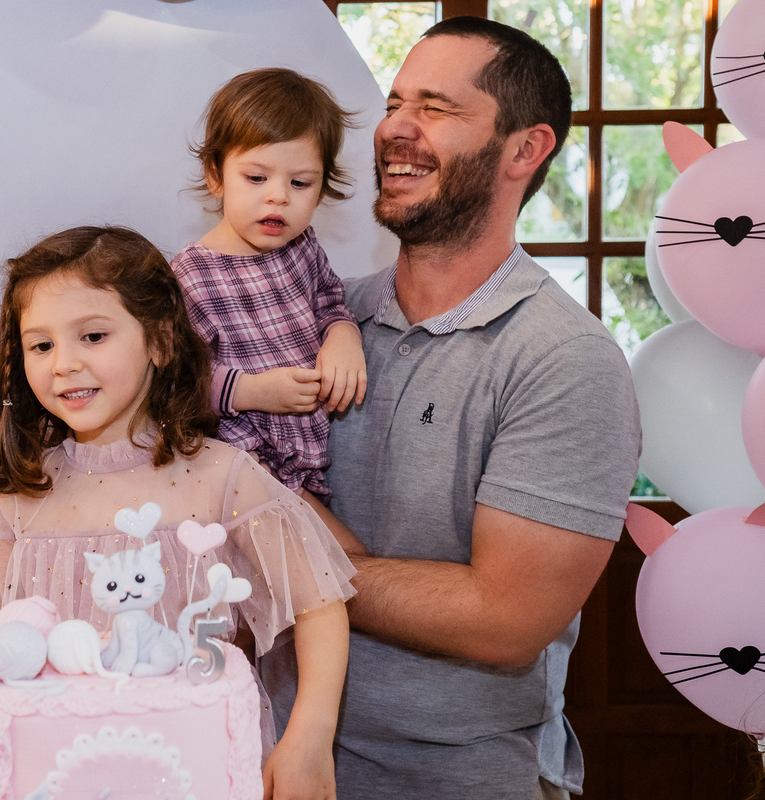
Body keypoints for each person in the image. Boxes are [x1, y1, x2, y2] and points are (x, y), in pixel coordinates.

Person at [258, 17, 641, 800]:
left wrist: (291, 550)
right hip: (271, 757)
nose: (394, 129)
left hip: (459, 779)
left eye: (434, 108)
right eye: (395, 103)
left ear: (524, 150)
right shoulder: (314, 323)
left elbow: (503, 619)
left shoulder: (564, 359)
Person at [0, 225, 356, 800]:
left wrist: (310, 737)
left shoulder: (223, 477)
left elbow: (319, 603)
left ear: (160, 342)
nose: (64, 364)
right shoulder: (23, 495)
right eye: (41, 346)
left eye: (92, 336)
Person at [171, 68, 367, 503]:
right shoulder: (191, 275)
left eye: (300, 183)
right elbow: (177, 381)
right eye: (256, 178)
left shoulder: (302, 246)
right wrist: (252, 391)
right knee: (333, 548)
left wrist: (343, 336)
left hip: (306, 459)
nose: (279, 196)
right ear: (216, 176)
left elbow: (330, 301)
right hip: (243, 467)